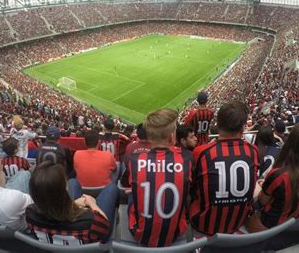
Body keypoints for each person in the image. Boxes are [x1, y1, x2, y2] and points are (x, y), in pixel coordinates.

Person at [190, 101, 259, 236]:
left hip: (204, 224)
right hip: (238, 222)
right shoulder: (253, 151)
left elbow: (192, 186)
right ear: (243, 127)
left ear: (218, 124)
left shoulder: (201, 152)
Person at [127, 109, 192, 247]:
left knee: (130, 193)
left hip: (140, 235)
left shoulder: (135, 161)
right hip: (175, 233)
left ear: (149, 137)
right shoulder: (186, 159)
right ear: (171, 137)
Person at [246, 122, 299, 232]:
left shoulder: (278, 175)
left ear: (290, 141)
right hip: (296, 223)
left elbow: (262, 201)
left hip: (270, 226)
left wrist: (263, 185)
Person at [26, 162, 119, 245]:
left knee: (73, 182)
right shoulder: (91, 221)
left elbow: (53, 209)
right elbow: (105, 225)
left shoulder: (30, 213)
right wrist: (92, 203)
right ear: (64, 190)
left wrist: (74, 204)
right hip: (93, 234)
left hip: (55, 239)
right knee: (112, 189)